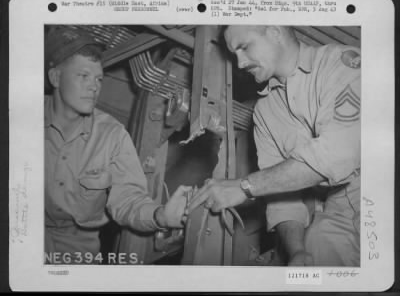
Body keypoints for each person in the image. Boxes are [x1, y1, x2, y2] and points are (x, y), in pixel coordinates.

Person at [189, 25, 360, 266]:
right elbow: (281, 197)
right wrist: (298, 251)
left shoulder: (340, 64)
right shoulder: (265, 112)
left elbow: (337, 155)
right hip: (337, 210)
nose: (239, 63)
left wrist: (244, 187)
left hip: (381, 196)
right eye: (234, 53)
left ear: (275, 32)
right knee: (319, 246)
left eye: (244, 47)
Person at [44, 26, 191, 264]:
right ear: (56, 78)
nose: (94, 86)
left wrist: (160, 215)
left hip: (76, 258)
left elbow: (129, 200)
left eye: (99, 78)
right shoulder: (20, 117)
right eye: (83, 76)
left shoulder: (112, 135)